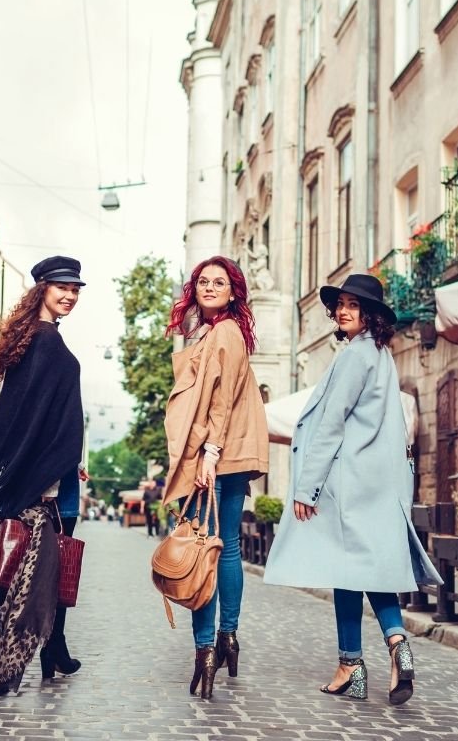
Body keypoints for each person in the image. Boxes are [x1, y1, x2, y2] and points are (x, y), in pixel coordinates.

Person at [263, 273, 442, 705]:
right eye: (341, 303)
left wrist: (307, 487)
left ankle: (355, 662)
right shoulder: (381, 356)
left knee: (347, 569)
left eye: (354, 305)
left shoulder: (354, 357)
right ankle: (385, 648)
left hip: (350, 481)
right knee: (361, 570)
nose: (343, 310)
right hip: (378, 483)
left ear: (371, 314)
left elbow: (331, 423)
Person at [0, 256, 86, 694]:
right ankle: (5, 665)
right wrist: (45, 474)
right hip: (40, 485)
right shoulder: (46, 344)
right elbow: (32, 419)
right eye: (62, 287)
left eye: (76, 290)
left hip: (33, 475)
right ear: (41, 288)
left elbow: (21, 416)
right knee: (30, 575)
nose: (70, 296)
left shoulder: (33, 339)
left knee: (10, 568)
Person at [162, 255, 269, 699]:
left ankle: (206, 649)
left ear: (232, 290)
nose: (208, 287)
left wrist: (209, 453)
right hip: (228, 454)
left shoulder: (224, 332)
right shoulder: (216, 331)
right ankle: (228, 637)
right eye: (202, 281)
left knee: (205, 551)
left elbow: (221, 401)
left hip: (215, 455)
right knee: (224, 551)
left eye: (218, 282)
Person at [40, 463, 88, 679]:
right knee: (59, 575)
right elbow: (61, 435)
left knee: (53, 574)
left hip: (55, 490)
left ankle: (53, 647)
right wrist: (51, 487)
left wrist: (77, 464)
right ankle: (54, 646)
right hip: (57, 497)